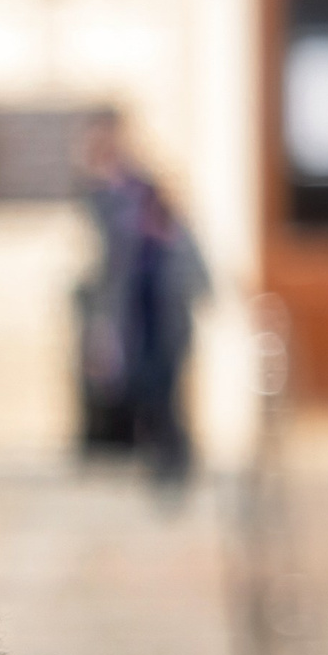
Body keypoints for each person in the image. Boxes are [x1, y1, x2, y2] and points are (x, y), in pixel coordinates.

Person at [78, 118, 210, 485]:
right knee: (147, 391)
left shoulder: (166, 222)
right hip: (138, 324)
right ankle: (161, 458)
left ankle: (174, 460)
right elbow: (114, 274)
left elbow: (195, 264)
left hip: (167, 323)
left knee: (168, 391)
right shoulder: (120, 218)